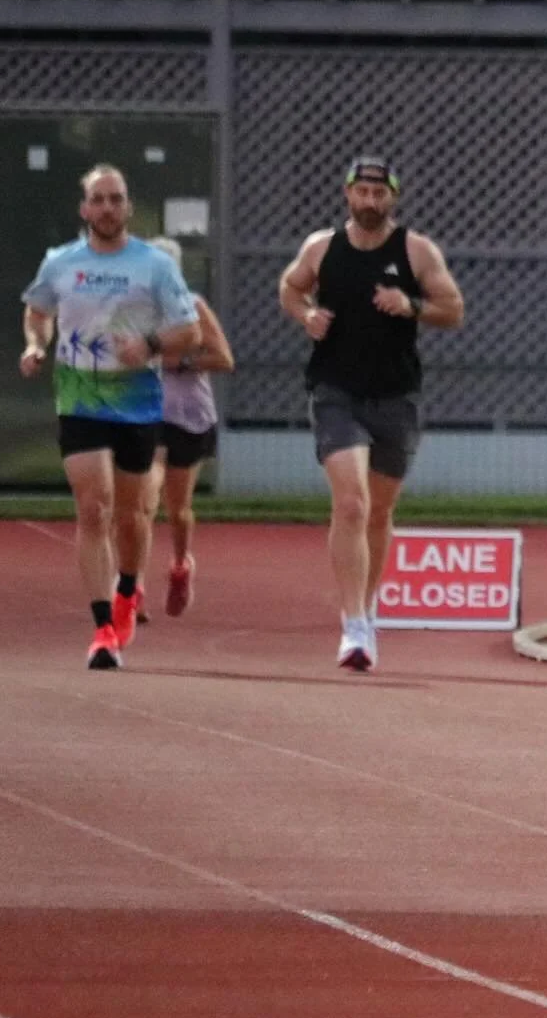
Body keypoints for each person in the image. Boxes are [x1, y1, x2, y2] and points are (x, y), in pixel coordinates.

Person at [278, 155, 465, 671]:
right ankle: (354, 623)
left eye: (379, 193)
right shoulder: (322, 248)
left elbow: (453, 309)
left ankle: (368, 603)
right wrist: (306, 315)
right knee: (353, 504)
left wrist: (411, 307)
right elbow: (290, 287)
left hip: (396, 395)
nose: (369, 201)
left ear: (392, 198)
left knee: (379, 511)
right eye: (361, 192)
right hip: (335, 390)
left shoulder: (415, 251)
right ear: (347, 195)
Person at [20, 164, 201, 669]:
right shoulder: (61, 262)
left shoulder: (155, 266)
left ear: (127, 206)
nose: (106, 208)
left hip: (137, 402)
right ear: (84, 209)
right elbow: (38, 310)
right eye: (97, 200)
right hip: (79, 398)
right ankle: (102, 627)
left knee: (131, 514)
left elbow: (188, 331)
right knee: (92, 508)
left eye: (115, 199)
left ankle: (126, 593)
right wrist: (37, 345)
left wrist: (147, 345)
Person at [140, 236, 235, 618]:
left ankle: (181, 565)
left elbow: (223, 358)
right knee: (142, 500)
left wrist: (174, 361)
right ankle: (129, 586)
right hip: (144, 415)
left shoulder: (192, 308)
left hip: (189, 416)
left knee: (177, 509)